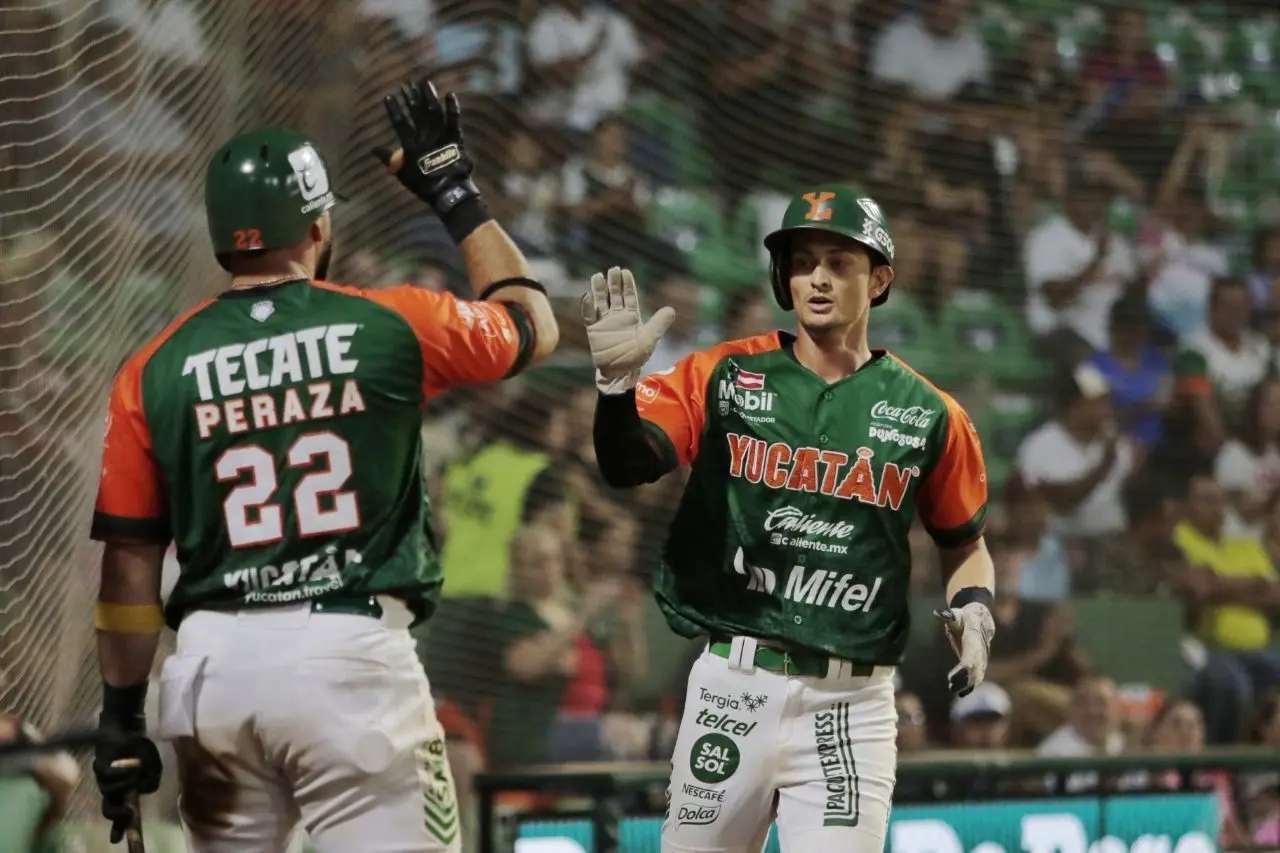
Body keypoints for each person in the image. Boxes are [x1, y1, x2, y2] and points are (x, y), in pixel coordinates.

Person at [87, 77, 559, 853]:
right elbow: (532, 323)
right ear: (316, 221)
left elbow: (130, 567)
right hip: (351, 659)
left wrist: (117, 717)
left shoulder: (152, 367)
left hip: (212, 674)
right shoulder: (391, 323)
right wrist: (451, 187)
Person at [582, 185, 995, 852]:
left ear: (880, 278)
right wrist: (614, 391)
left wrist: (975, 607)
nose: (818, 278)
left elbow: (965, 542)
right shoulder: (724, 373)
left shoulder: (932, 413)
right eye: (802, 262)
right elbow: (628, 462)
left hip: (852, 700)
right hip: (735, 680)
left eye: (839, 261)